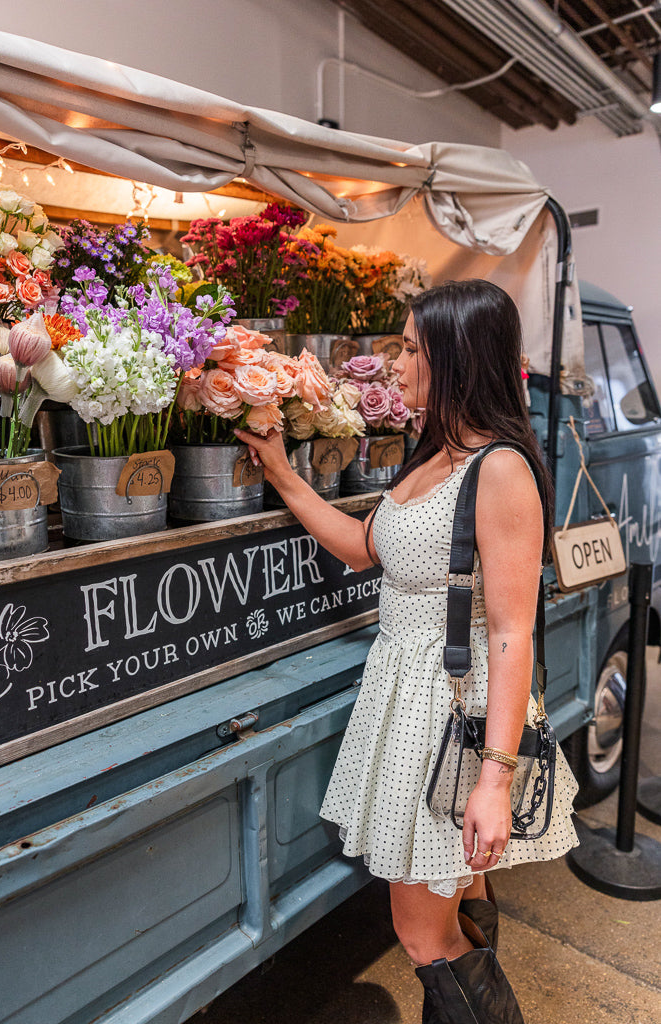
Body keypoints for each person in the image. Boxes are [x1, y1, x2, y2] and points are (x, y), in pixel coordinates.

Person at [235, 279, 579, 1024]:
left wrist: (494, 779)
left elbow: (510, 631)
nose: (394, 363)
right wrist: (284, 473)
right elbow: (366, 549)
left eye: (412, 348)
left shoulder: (499, 469)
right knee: (455, 908)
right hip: (410, 697)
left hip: (450, 713)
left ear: (455, 359)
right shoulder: (435, 455)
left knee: (420, 934)